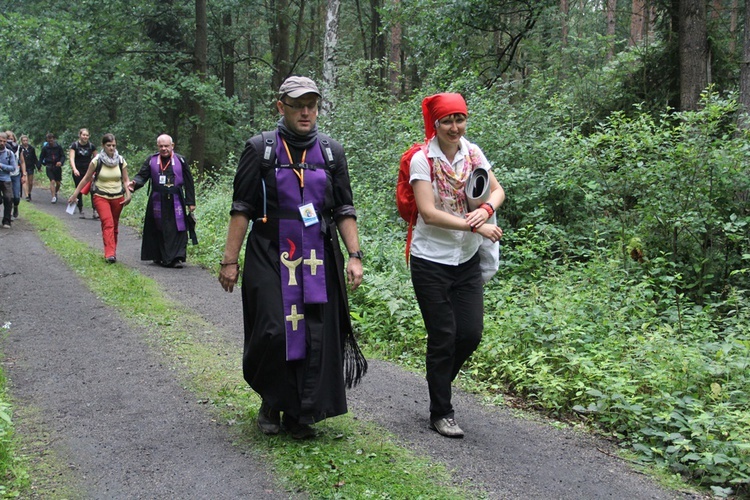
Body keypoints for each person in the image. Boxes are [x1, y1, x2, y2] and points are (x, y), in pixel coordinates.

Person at [218, 76, 367, 439]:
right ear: (280, 106)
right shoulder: (260, 149)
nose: (306, 112)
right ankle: (273, 400)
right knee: (274, 329)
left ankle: (302, 414)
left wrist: (354, 254)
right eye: (298, 104)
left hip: (318, 252)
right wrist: (229, 259)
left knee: (315, 331)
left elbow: (344, 207)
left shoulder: (332, 152)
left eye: (312, 105)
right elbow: (242, 208)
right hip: (270, 250)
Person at [409, 92, 505, 438]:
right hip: (430, 261)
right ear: (435, 124)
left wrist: (486, 210)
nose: (455, 127)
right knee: (443, 335)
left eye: (459, 119)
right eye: (447, 120)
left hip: (465, 259)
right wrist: (475, 224)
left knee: (469, 333)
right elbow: (429, 213)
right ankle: (441, 412)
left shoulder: (473, 153)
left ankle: (438, 379)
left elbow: (497, 191)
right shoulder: (423, 160)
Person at [127, 134, 195, 268]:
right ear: (158, 147)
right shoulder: (151, 160)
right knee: (157, 228)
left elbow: (189, 181)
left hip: (176, 199)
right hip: (157, 199)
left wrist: (190, 202)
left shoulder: (180, 160)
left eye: (166, 146)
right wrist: (134, 184)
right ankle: (158, 256)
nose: (164, 149)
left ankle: (176, 258)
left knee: (177, 228)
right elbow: (142, 176)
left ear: (172, 146)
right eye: (161, 146)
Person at [67, 134, 131, 263]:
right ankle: (109, 254)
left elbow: (125, 180)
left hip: (118, 197)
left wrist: (128, 195)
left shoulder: (121, 161)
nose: (111, 148)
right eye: (108, 145)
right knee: (108, 223)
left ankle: (112, 250)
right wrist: (75, 194)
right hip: (101, 196)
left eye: (113, 145)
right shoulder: (97, 161)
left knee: (115, 225)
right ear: (103, 146)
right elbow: (86, 178)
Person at [69, 128, 98, 219]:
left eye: (87, 135)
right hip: (78, 171)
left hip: (89, 171)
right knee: (79, 190)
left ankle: (95, 211)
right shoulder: (75, 145)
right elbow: (71, 158)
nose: (85, 137)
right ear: (80, 135)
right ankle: (81, 209)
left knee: (93, 190)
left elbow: (96, 158)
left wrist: (95, 171)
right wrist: (74, 169)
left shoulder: (91, 146)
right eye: (83, 135)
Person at [5, 131, 25, 219]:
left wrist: (24, 174)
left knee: (16, 196)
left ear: (14, 139)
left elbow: (22, 161)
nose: (10, 141)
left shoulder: (19, 148)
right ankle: (8, 214)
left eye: (11, 138)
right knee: (8, 196)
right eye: (8, 139)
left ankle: (15, 207)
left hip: (16, 174)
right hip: (5, 175)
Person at [39, 133, 65, 203]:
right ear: (47, 139)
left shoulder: (58, 147)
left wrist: (61, 162)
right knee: (52, 181)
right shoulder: (45, 148)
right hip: (49, 166)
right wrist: (39, 166)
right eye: (49, 139)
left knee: (58, 183)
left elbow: (63, 156)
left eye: (51, 138)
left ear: (54, 139)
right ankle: (53, 197)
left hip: (57, 167)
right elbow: (41, 157)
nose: (50, 140)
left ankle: (55, 192)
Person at [0, 132, 18, 228]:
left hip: (6, 179)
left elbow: (13, 168)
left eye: (4, 141)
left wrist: (2, 166)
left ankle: (7, 220)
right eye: (0, 141)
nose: (2, 143)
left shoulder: (9, 153)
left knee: (8, 198)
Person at [19, 135, 40, 202]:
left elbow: (35, 158)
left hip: (31, 166)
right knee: (25, 181)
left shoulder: (31, 148)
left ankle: (29, 192)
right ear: (21, 141)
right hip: (23, 167)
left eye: (26, 140)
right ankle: (27, 195)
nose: (25, 142)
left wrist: (38, 166)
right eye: (23, 140)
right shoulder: (20, 148)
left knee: (30, 182)